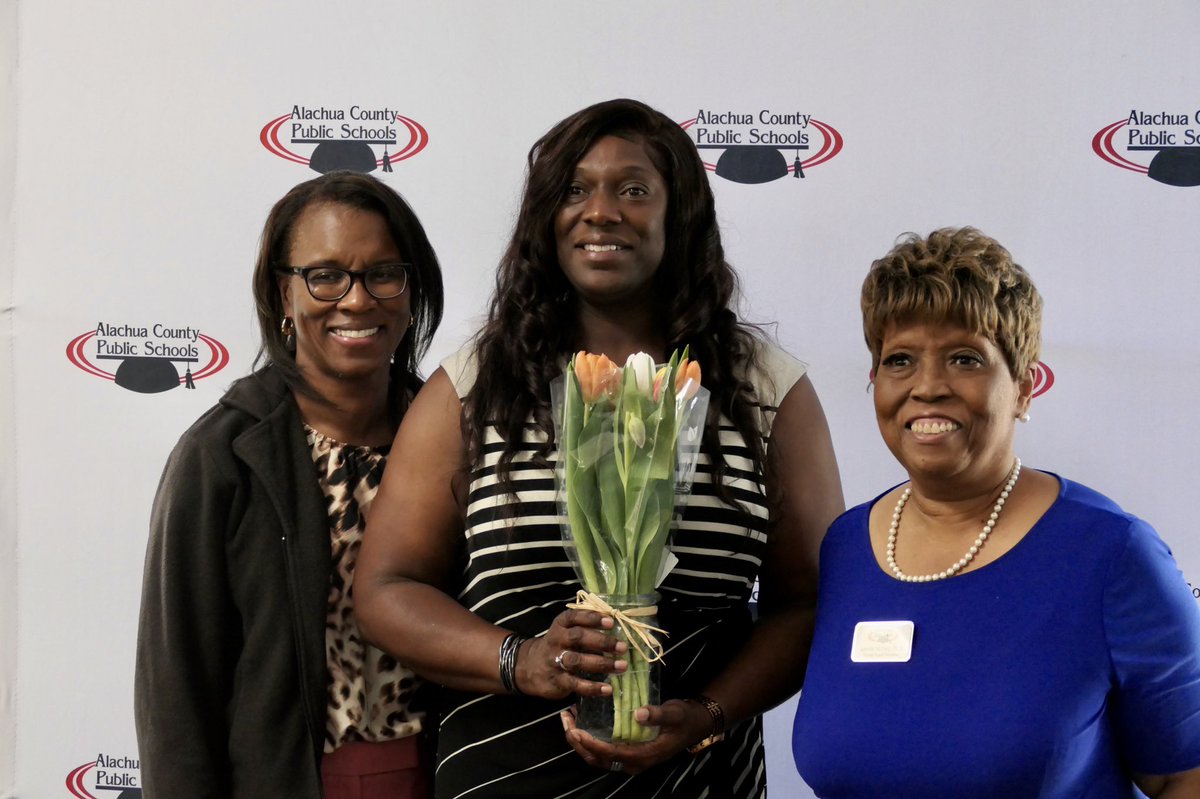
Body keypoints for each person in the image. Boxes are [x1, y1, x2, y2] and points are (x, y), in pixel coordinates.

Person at [355, 98, 845, 798]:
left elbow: (809, 602)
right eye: (575, 189)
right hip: (503, 775)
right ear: (545, 220)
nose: (601, 210)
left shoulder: (765, 390)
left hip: (699, 778)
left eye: (635, 189)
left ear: (681, 215)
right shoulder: (474, 385)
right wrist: (520, 660)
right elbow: (385, 589)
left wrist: (708, 714)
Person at [792, 227, 1200, 798]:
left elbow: (1184, 774)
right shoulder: (846, 548)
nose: (927, 386)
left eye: (964, 358)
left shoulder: (1111, 555)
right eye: (900, 360)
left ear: (1025, 387)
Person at [134, 171, 444, 798]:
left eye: (384, 273)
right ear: (283, 292)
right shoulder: (220, 456)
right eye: (326, 275)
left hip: (446, 773)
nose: (357, 300)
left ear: (411, 291)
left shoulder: (453, 436)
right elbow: (177, 690)